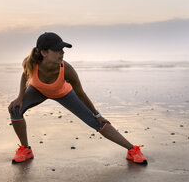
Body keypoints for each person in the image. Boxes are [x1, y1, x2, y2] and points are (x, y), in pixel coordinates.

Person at [8, 32, 147, 164]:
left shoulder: (66, 69)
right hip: (38, 91)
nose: (62, 53)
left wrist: (97, 114)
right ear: (44, 52)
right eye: (57, 50)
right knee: (15, 109)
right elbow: (25, 75)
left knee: (97, 121)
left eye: (63, 49)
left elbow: (80, 93)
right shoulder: (31, 62)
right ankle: (26, 150)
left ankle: (132, 150)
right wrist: (20, 97)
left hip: (64, 94)